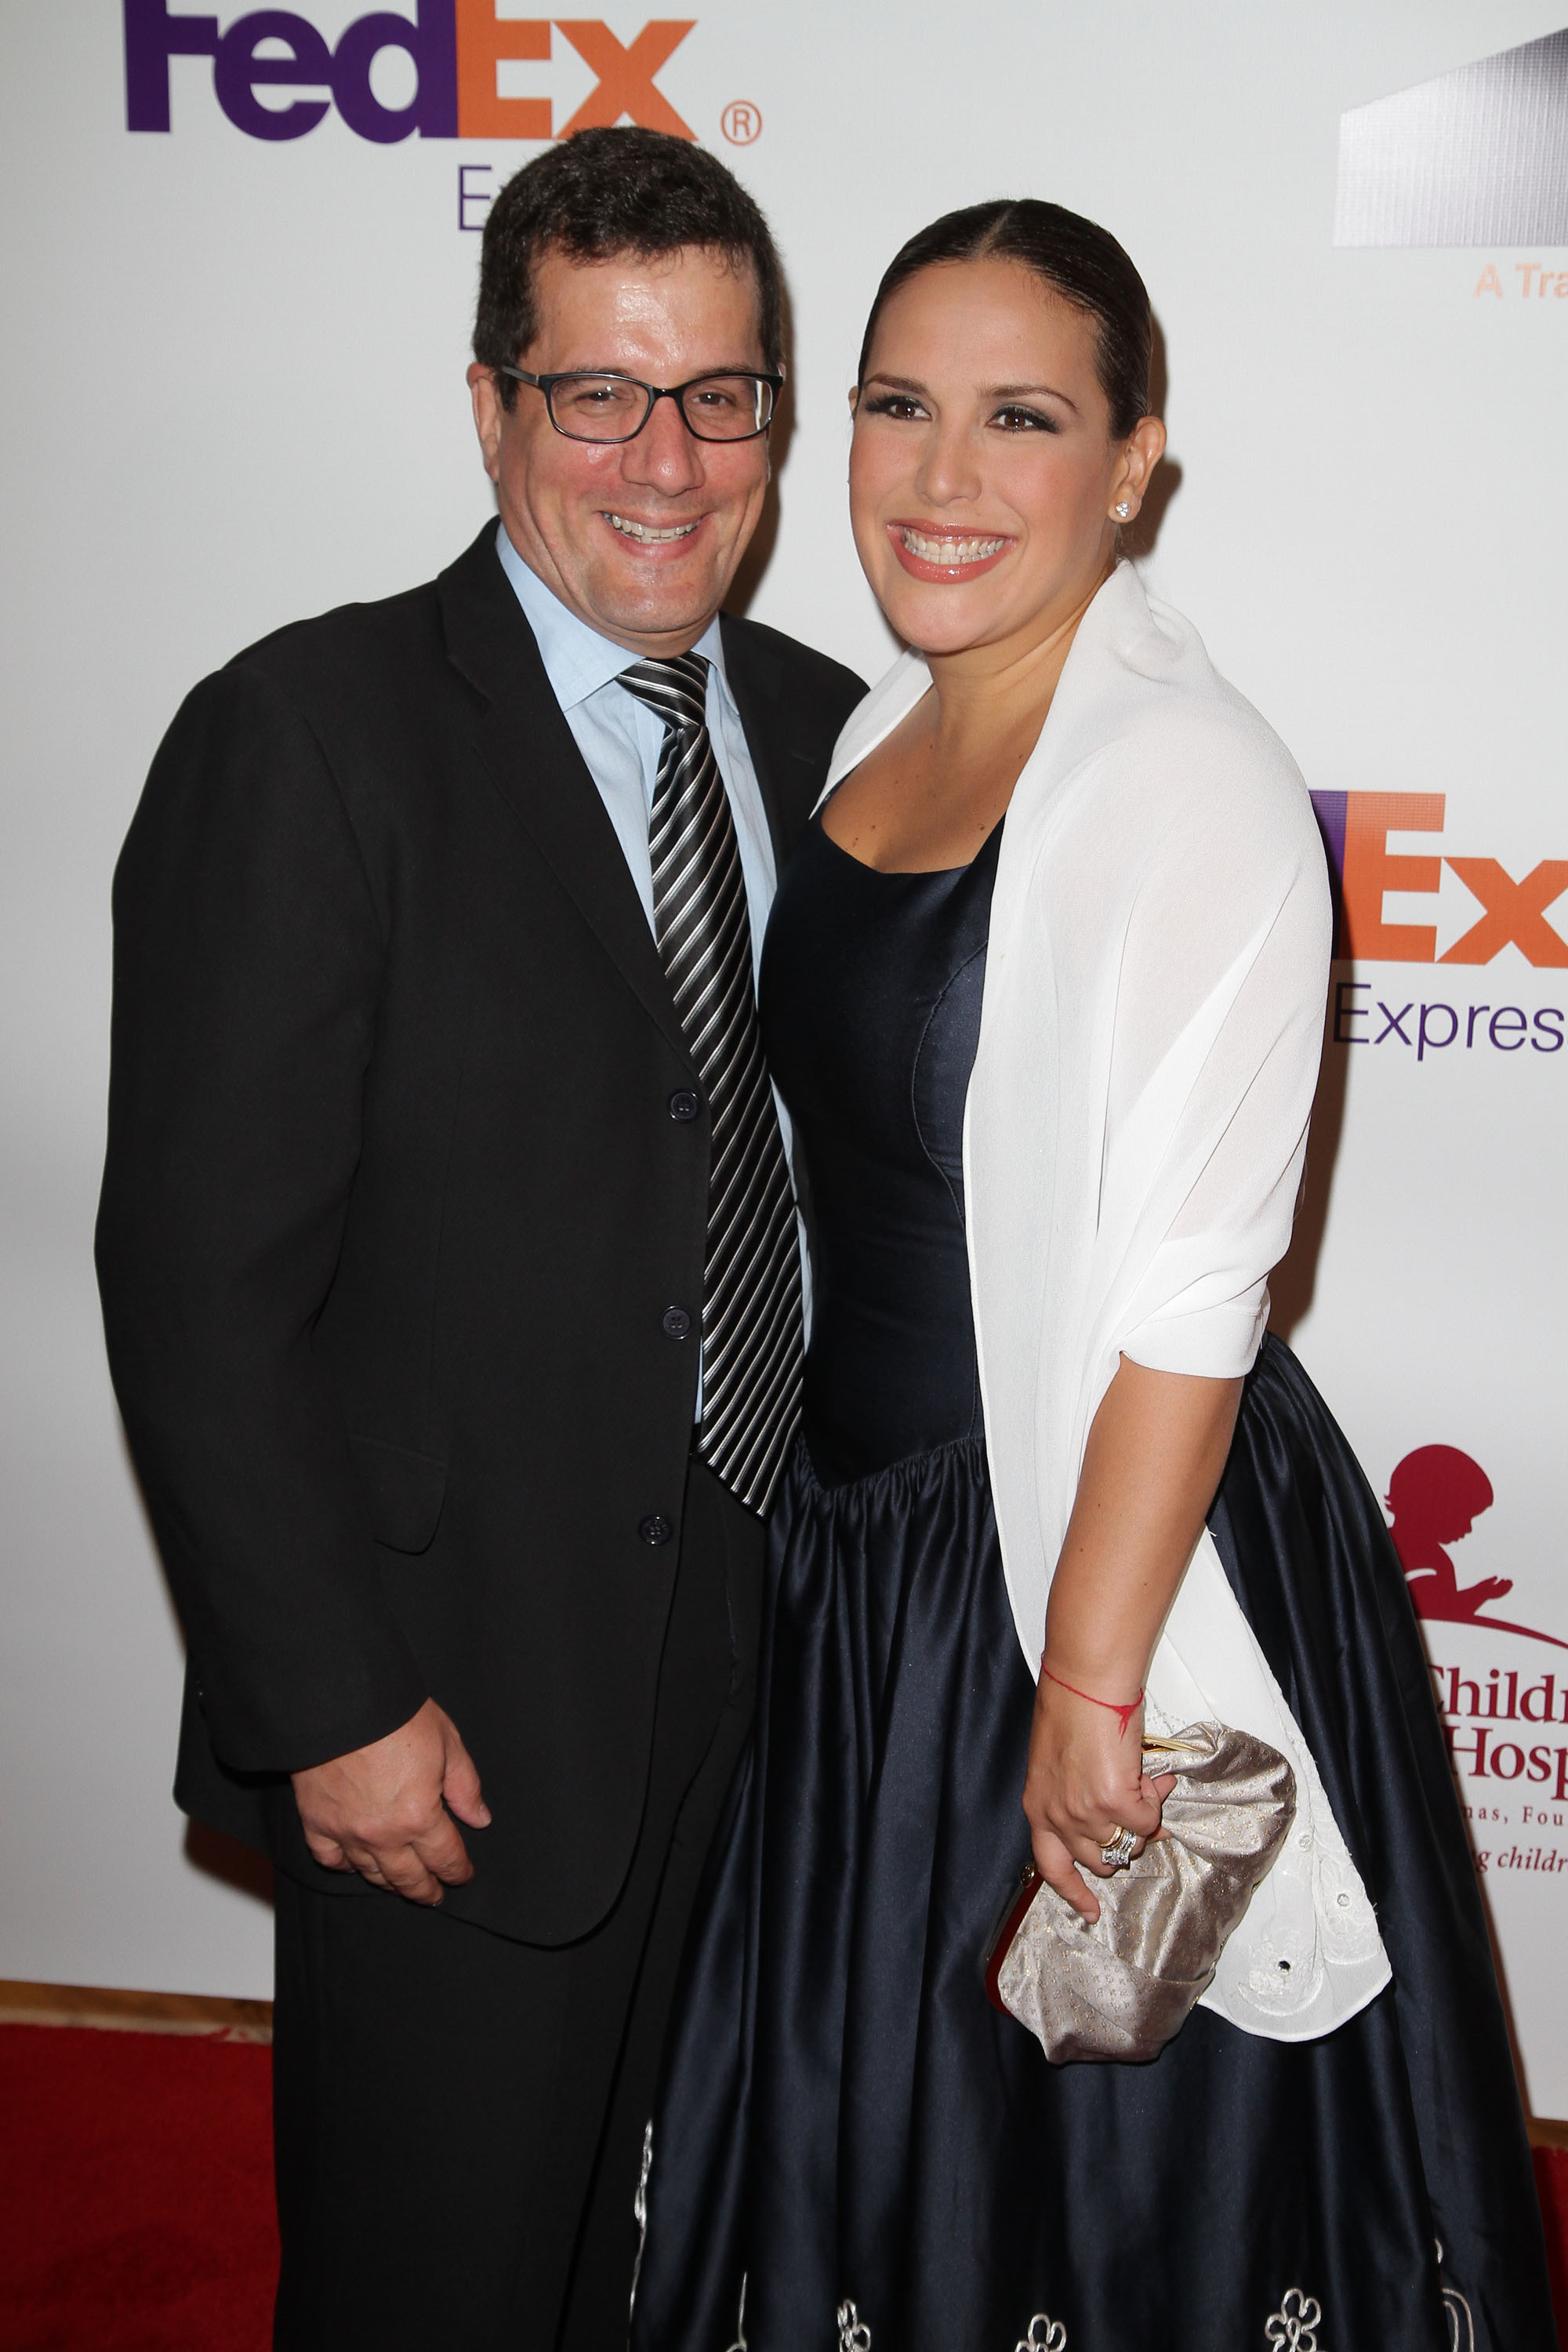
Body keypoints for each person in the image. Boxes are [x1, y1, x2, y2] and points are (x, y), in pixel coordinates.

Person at [630, 202, 1555, 2352]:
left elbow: (1194, 1296)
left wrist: (1093, 1681)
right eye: (899, 407)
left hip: (1088, 1552)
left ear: (1135, 460)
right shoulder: (876, 731)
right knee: (881, 2132)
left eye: (1021, 419)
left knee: (1099, 2166)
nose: (941, 479)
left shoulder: (1184, 778)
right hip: (865, 1564)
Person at [95, 127, 864, 2351]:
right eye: (598, 392)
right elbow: (197, 1286)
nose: (666, 457)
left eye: (722, 393)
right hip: (449, 1709)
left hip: (771, 1675)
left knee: (684, 2270)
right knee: (433, 2287)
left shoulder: (839, 737)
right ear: (491, 403)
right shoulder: (306, 735)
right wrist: (326, 1702)